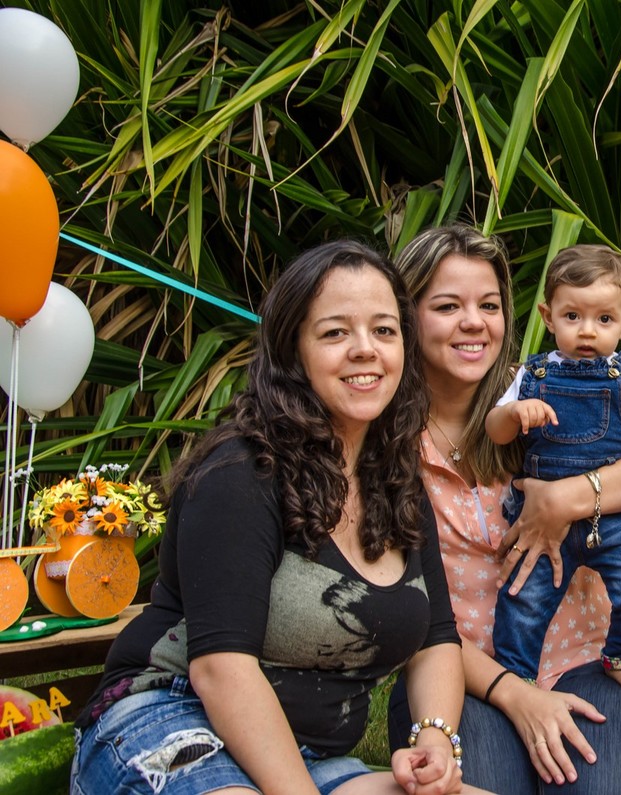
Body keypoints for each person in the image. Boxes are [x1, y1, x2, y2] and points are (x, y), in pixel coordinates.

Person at [71, 240, 488, 795]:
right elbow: (220, 669)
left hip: (307, 754)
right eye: (335, 333)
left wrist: (434, 738)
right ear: (293, 350)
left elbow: (436, 635)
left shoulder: (394, 477)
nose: (366, 350)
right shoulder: (240, 472)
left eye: (384, 331)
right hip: (170, 720)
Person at [387, 225, 621, 794]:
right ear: (407, 315)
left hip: (584, 656)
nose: (474, 322)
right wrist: (515, 696)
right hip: (462, 671)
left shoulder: (554, 386)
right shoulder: (385, 440)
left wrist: (567, 498)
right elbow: (406, 610)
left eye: (488, 305)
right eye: (447, 306)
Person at [484, 244, 621, 702]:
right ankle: (516, 675)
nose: (587, 330)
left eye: (604, 319)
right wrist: (515, 412)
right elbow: (496, 431)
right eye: (572, 316)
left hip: (615, 516)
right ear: (548, 316)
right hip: (543, 521)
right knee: (523, 596)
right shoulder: (533, 373)